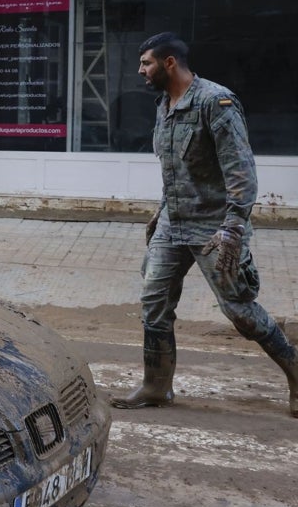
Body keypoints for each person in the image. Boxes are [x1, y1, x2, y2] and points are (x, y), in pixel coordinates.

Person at [114, 32, 297, 417]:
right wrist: (161, 210)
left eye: (146, 63)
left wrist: (233, 228)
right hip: (173, 224)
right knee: (153, 303)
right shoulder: (164, 104)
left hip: (215, 229)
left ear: (169, 63)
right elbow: (173, 167)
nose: (140, 70)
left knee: (240, 312)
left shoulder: (216, 101)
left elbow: (241, 171)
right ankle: (156, 386)